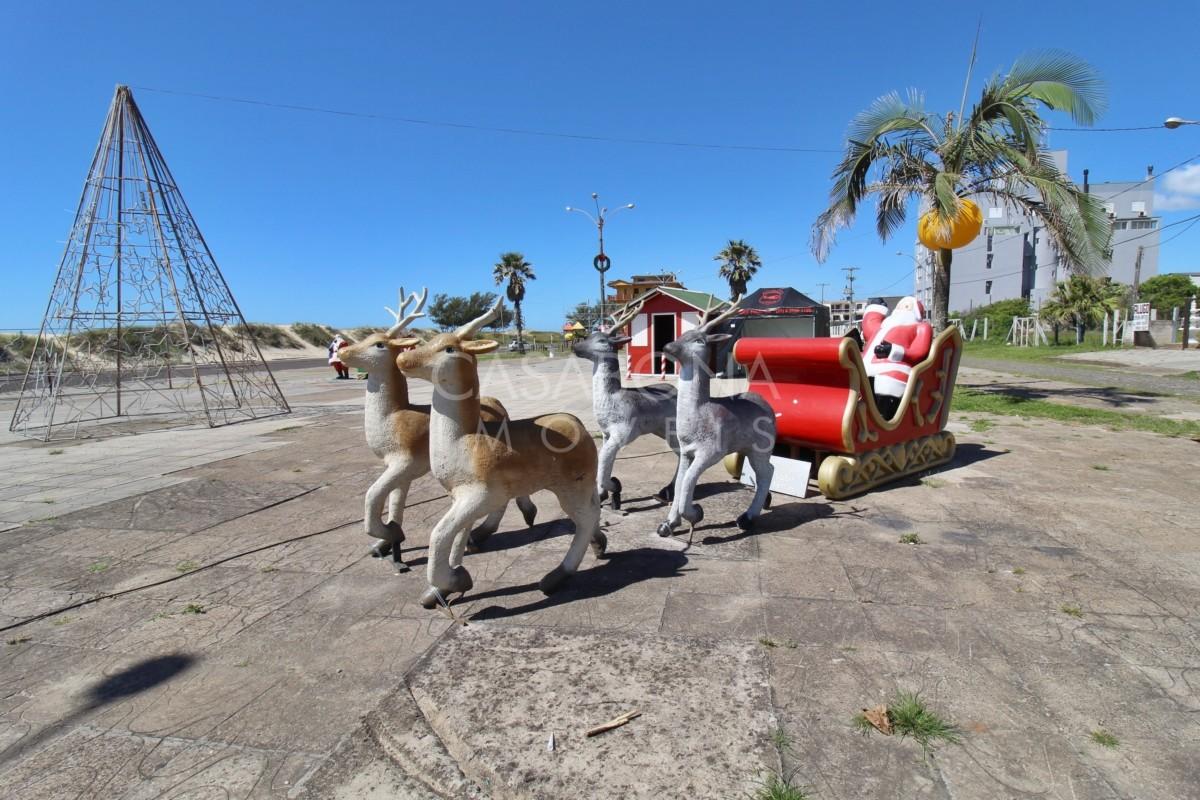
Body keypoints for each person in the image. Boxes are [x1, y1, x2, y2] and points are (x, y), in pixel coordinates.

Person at [861, 297, 933, 420]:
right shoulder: (883, 326)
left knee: (886, 393)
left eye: (907, 307)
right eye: (899, 306)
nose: (901, 309)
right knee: (862, 396)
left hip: (893, 369)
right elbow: (870, 325)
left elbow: (919, 351)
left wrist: (893, 350)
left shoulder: (920, 327)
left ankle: (885, 420)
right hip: (866, 368)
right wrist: (876, 308)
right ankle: (865, 421)